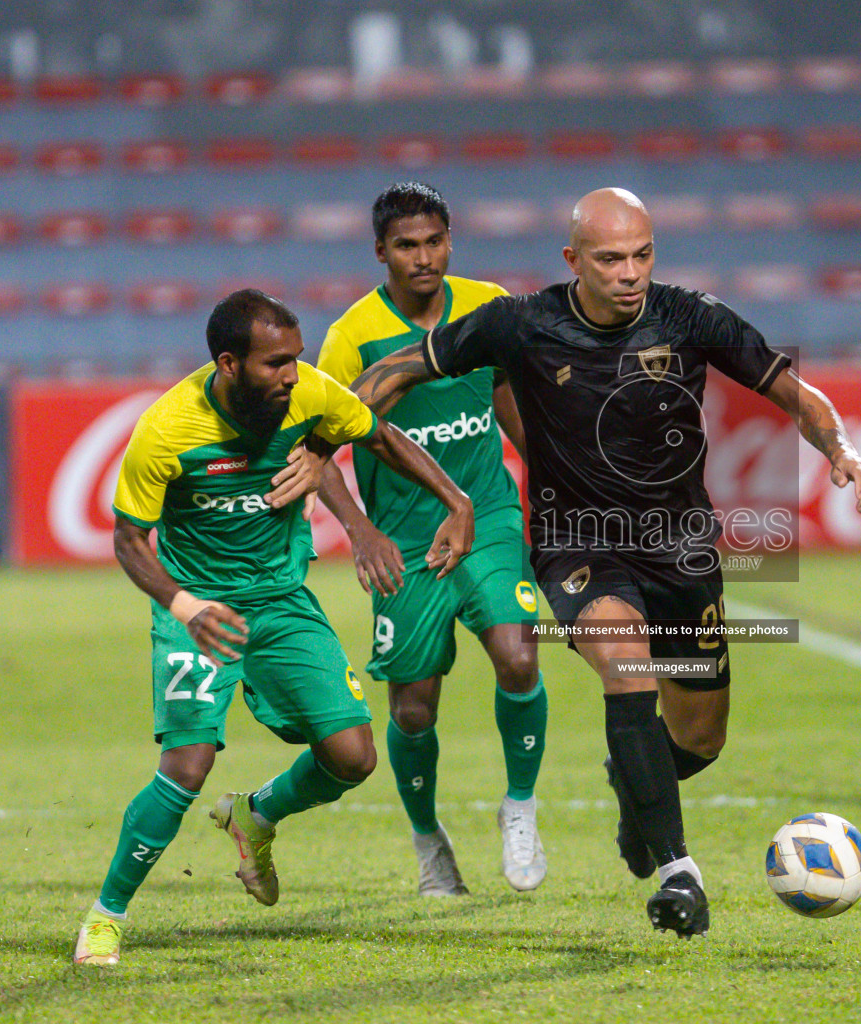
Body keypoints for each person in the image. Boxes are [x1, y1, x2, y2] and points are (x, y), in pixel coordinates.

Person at [347, 187, 861, 937]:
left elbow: (795, 393)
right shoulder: (520, 323)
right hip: (578, 543)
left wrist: (843, 449)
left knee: (699, 738)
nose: (630, 272)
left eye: (641, 254)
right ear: (574, 260)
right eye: (610, 258)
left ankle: (636, 791)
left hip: (681, 552)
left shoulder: (690, 316)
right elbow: (396, 371)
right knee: (625, 672)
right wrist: (324, 430)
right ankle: (679, 876)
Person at [73, 289, 474, 966]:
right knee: (187, 764)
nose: (292, 374)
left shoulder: (311, 394)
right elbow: (130, 541)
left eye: (296, 358)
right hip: (200, 608)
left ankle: (256, 814)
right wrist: (185, 607)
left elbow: (379, 434)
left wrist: (455, 501)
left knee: (353, 757)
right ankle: (106, 915)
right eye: (274, 364)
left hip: (282, 599)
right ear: (228, 364)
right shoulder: (168, 428)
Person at [315, 182, 547, 896]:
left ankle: (521, 808)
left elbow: (510, 397)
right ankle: (427, 840)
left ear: (451, 240)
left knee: (516, 652)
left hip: (488, 517)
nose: (424, 258)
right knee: (414, 707)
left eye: (435, 242)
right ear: (380, 251)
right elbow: (316, 447)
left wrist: (552, 481)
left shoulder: (488, 307)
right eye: (408, 246)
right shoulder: (354, 335)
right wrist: (360, 531)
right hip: (407, 540)